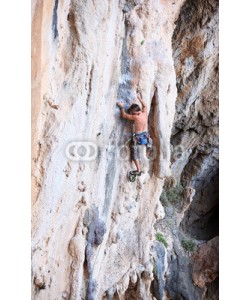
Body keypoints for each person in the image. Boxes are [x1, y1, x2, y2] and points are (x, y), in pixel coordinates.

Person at [117, 93, 151, 177]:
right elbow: (145, 106)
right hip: (146, 136)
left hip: (138, 137)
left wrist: (121, 106)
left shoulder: (136, 117)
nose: (132, 115)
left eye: (132, 113)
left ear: (135, 112)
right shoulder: (144, 113)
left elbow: (124, 115)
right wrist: (139, 98)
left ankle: (138, 170)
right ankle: (147, 151)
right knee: (147, 144)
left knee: (134, 153)